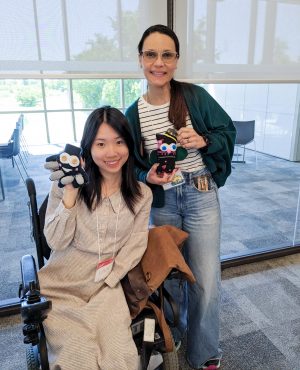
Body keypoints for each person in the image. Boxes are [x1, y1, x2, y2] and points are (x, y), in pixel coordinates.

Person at [125, 24, 236, 370]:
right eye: (151, 54)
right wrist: (149, 175)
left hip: (201, 191)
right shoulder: (133, 115)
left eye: (167, 55)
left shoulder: (194, 96)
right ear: (140, 59)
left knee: (204, 277)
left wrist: (202, 140)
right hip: (164, 200)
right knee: (167, 274)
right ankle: (171, 337)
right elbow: (132, 167)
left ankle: (203, 351)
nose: (159, 63)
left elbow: (226, 130)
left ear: (176, 60)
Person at [38, 106, 153, 370]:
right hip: (62, 288)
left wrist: (112, 278)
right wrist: (69, 194)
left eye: (119, 142)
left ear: (129, 145)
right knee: (78, 356)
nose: (111, 152)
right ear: (88, 148)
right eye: (101, 144)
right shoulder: (68, 186)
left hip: (106, 286)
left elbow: (137, 243)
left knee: (119, 354)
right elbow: (55, 242)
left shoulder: (142, 194)